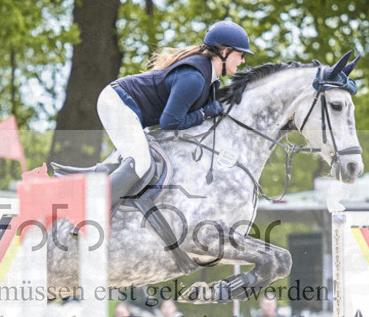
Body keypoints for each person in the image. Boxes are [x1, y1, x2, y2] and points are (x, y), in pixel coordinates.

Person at [96, 20, 252, 210]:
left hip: (131, 108)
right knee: (141, 163)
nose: (243, 60)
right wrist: (204, 113)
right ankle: (89, 211)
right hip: (118, 102)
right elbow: (170, 122)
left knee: (144, 159)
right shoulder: (194, 78)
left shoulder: (210, 81)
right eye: (241, 54)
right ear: (225, 52)